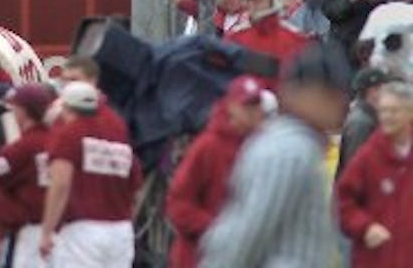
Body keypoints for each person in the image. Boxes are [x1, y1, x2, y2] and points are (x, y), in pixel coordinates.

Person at [198, 40, 352, 268]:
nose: (341, 103)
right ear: (297, 92)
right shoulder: (289, 150)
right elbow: (247, 234)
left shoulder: (296, 143)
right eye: (330, 93)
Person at [166, 76, 267, 268]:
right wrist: (220, 230)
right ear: (231, 106)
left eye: (256, 105)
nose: (253, 112)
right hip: (199, 258)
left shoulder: (263, 149)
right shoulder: (208, 145)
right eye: (247, 105)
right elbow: (178, 204)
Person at [39, 79, 142, 265]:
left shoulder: (70, 134)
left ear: (66, 107)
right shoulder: (118, 134)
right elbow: (134, 185)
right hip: (121, 231)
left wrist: (47, 231)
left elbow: (60, 184)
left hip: (83, 231)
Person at [337, 80, 413, 265]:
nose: (387, 116)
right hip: (376, 259)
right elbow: (343, 201)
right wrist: (365, 227)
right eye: (383, 110)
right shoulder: (368, 156)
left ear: (410, 113)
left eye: (394, 111)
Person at [0, 84, 55, 268]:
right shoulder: (58, 140)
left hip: (31, 230)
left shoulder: (22, 147)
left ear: (23, 110)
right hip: (62, 230)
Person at [338, 65, 392, 170]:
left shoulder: (372, 117)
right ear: (371, 92)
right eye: (382, 88)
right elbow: (356, 166)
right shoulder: (361, 123)